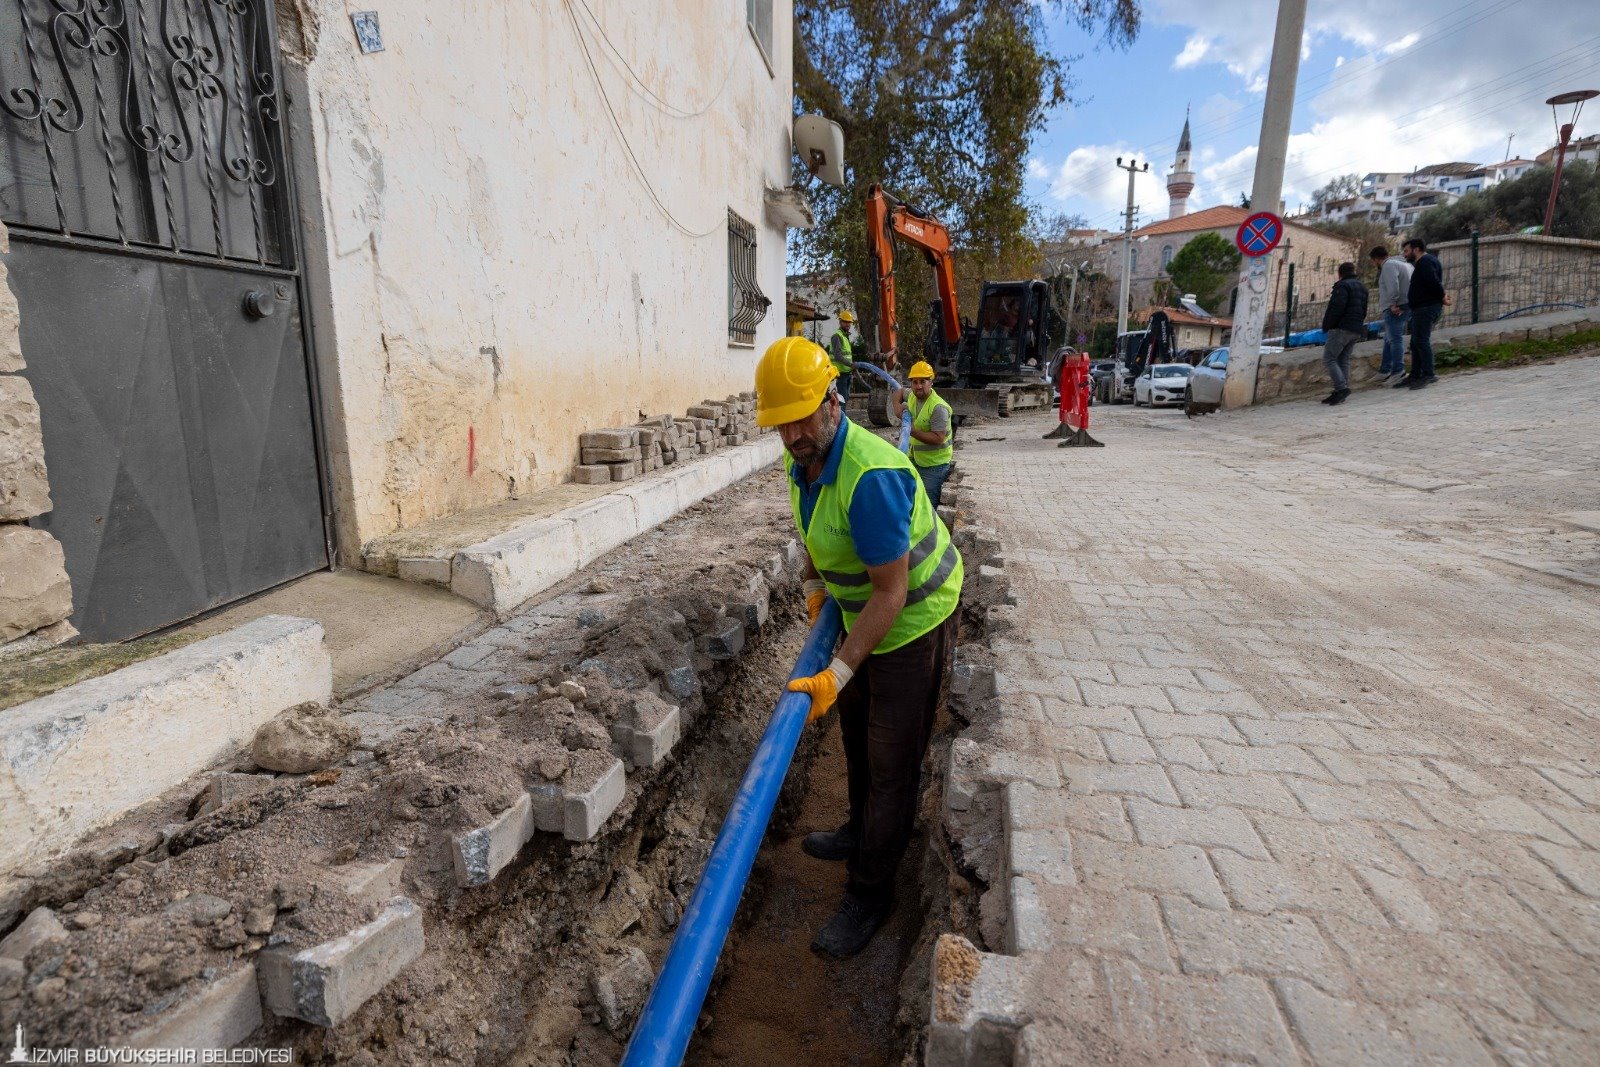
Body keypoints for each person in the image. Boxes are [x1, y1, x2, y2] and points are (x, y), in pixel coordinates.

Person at [753, 336, 963, 958]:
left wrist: (837, 672)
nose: (792, 436)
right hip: (860, 613)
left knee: (892, 762)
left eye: (801, 418)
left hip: (911, 619)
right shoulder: (804, 463)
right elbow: (814, 535)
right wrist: (818, 588)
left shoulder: (868, 474)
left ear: (832, 402)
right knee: (855, 739)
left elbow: (891, 595)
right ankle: (857, 828)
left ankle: (871, 893)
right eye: (780, 425)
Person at [890, 361, 954, 506]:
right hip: (916, 460)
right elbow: (898, 392)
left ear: (931, 382)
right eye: (915, 382)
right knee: (911, 499)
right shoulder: (913, 396)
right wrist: (897, 407)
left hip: (934, 466)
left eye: (923, 381)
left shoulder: (938, 407)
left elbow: (939, 438)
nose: (918, 386)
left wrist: (911, 430)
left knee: (928, 506)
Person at [1395, 238, 1446, 391]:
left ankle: (1429, 374)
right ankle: (1416, 374)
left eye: (1406, 251)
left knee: (1421, 340)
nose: (1404, 255)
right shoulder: (1424, 262)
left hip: (1427, 307)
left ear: (1416, 249)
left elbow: (1433, 282)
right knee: (1415, 342)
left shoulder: (1425, 262)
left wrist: (1442, 296)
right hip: (1421, 308)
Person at [1320, 262, 1369, 406]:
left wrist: (1327, 325)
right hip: (1356, 328)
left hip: (1341, 328)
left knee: (1329, 358)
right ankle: (1341, 389)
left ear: (1340, 273)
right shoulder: (1362, 287)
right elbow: (1364, 309)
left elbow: (1336, 308)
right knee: (1344, 359)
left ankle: (1341, 388)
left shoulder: (1341, 286)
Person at [1370, 245, 1412, 383]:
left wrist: (1393, 303)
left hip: (1395, 307)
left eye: (1373, 261)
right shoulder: (1405, 264)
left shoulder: (1388, 265)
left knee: (1395, 339)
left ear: (1376, 259)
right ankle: (1384, 370)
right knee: (1389, 339)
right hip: (1407, 304)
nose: (1375, 264)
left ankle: (1397, 372)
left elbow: (1393, 285)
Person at [829, 311, 857, 402]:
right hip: (839, 375)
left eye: (849, 322)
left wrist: (851, 367)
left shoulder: (845, 336)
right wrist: (850, 364)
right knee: (841, 401)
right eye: (845, 322)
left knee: (845, 399)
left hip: (847, 374)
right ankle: (840, 416)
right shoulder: (837, 336)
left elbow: (847, 355)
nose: (847, 324)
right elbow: (838, 356)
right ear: (840, 322)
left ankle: (842, 416)